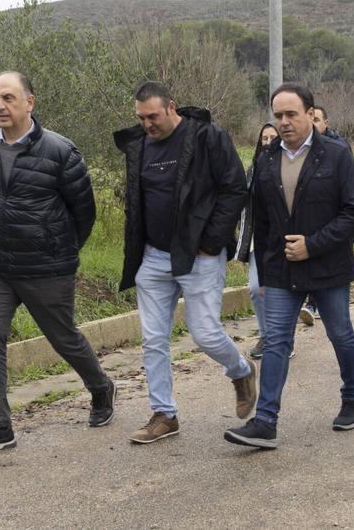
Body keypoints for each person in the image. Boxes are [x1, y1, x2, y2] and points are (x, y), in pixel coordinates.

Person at [0, 71, 116, 458]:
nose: (0, 106)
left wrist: (58, 250)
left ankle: (101, 387)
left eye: (8, 98)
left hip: (46, 267)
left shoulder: (60, 151)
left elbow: (84, 212)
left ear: (29, 102)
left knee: (63, 338)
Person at [223, 83, 354, 450]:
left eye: (291, 114)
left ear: (310, 114)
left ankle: (352, 398)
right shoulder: (266, 159)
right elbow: (263, 223)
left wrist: (312, 245)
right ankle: (265, 421)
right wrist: (265, 271)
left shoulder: (336, 154)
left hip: (328, 267)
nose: (284, 122)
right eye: (278, 115)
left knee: (341, 335)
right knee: (276, 341)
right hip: (282, 270)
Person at [114, 81, 256, 444]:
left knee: (205, 333)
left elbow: (234, 189)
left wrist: (211, 243)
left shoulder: (207, 137)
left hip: (199, 255)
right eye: (141, 118)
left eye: (153, 116)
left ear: (171, 107)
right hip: (154, 256)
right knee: (153, 339)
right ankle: (164, 414)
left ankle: (240, 370)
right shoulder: (139, 144)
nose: (147, 124)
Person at [235, 123, 286, 361]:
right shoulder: (252, 170)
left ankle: (283, 338)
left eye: (272, 137)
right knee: (257, 289)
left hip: (284, 241)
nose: (267, 142)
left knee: (282, 291)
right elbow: (245, 206)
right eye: (263, 138)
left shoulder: (289, 166)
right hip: (259, 240)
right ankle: (267, 335)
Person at [298, 106, 341, 325]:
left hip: (330, 227)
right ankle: (310, 305)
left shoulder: (339, 151)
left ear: (326, 123)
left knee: (340, 331)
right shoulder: (294, 150)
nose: (313, 123)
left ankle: (315, 304)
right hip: (303, 225)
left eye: (317, 120)